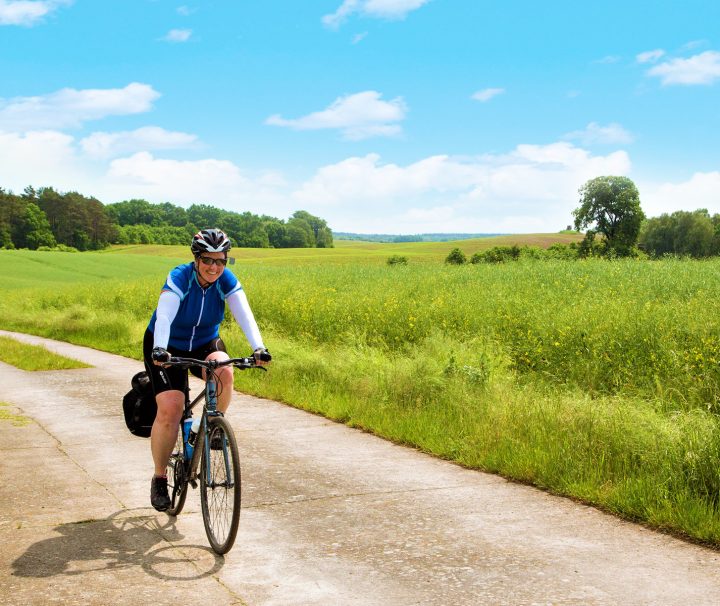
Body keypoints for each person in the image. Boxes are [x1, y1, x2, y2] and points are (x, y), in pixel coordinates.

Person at [144, 228, 270, 511]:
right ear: (196, 258)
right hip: (166, 345)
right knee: (172, 407)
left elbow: (243, 312)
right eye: (208, 260)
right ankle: (160, 478)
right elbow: (164, 314)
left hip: (203, 341)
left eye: (221, 260)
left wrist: (259, 347)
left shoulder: (225, 279)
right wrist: (160, 349)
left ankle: (208, 427)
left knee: (224, 371)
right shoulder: (180, 277)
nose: (214, 267)